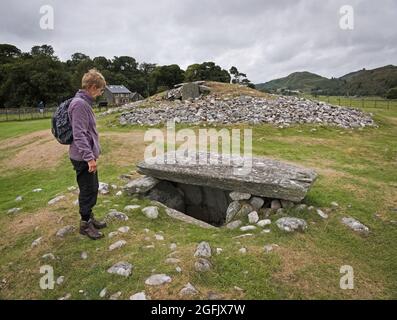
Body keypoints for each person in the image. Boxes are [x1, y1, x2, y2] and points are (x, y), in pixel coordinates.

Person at [68, 69, 107, 240]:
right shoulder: (80, 104)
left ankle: (89, 217)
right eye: (100, 90)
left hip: (86, 156)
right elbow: (79, 135)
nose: (100, 94)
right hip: (83, 158)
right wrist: (89, 158)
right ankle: (84, 224)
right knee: (87, 190)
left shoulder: (83, 103)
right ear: (92, 87)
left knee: (92, 188)